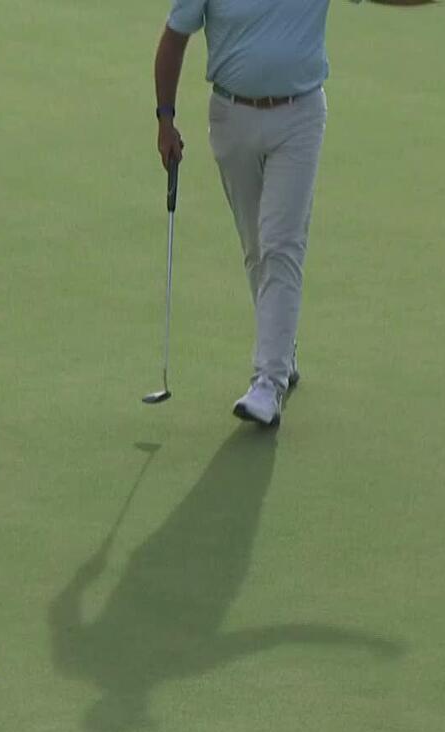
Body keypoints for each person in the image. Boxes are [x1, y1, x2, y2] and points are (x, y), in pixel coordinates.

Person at [154, 0, 334, 427]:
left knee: (280, 244)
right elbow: (175, 37)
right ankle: (282, 352)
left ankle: (267, 383)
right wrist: (165, 119)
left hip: (299, 116)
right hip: (231, 116)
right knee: (256, 246)